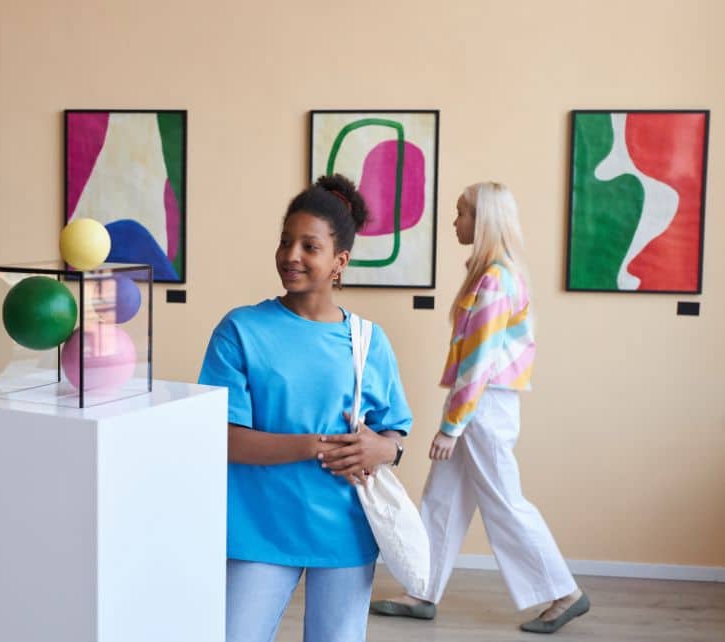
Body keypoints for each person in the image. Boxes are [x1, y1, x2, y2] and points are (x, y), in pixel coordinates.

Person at [199, 174, 413, 642]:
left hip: (344, 530)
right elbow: (223, 436)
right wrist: (318, 446)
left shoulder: (368, 342)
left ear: (340, 261)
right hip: (258, 528)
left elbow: (393, 435)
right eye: (285, 242)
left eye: (309, 246)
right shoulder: (240, 330)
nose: (291, 256)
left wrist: (385, 450)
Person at [369, 182, 589, 634]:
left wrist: (451, 426)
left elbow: (479, 362)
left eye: (461, 213)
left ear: (483, 220)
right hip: (478, 405)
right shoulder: (494, 274)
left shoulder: (495, 279)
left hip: (482, 407)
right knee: (441, 501)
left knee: (504, 503)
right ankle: (422, 589)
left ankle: (563, 592)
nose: (455, 221)